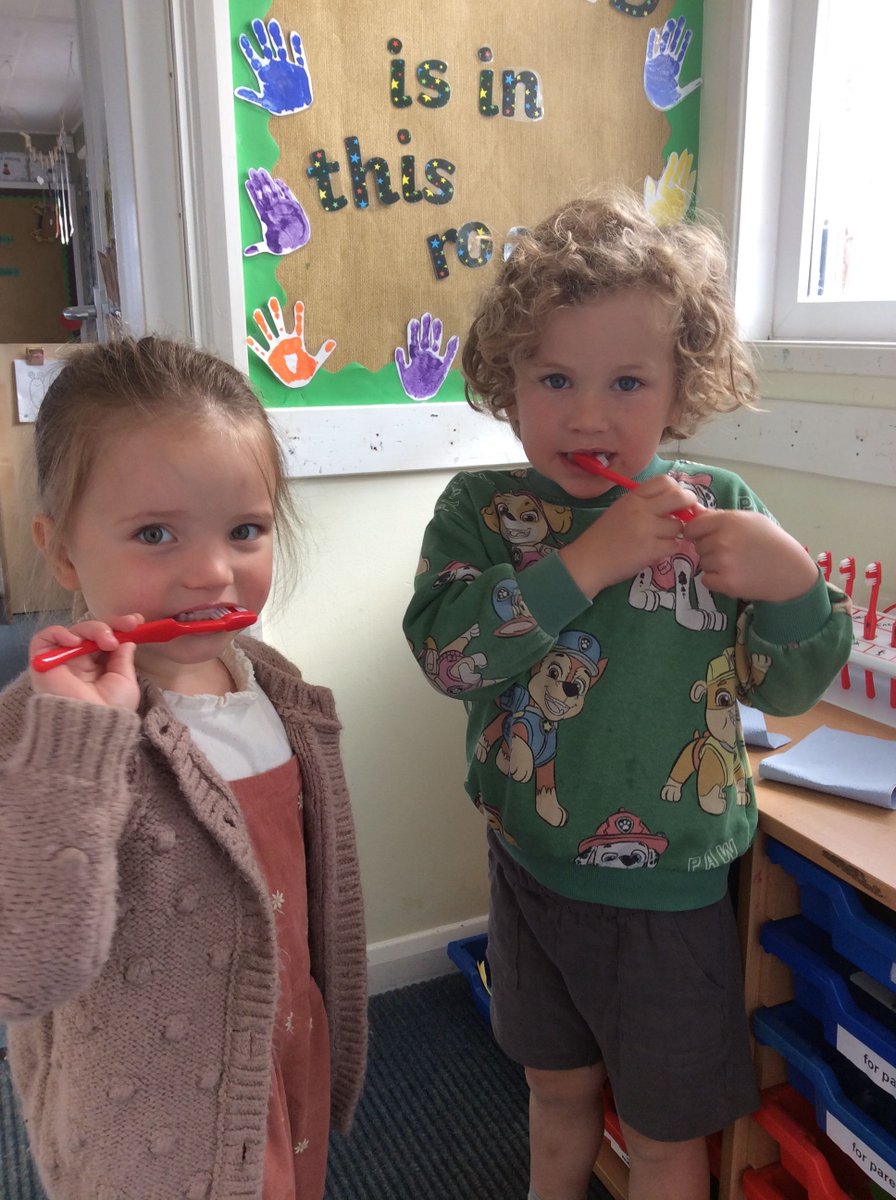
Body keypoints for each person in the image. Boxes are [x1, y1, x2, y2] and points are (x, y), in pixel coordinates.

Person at [402, 191, 852, 1200]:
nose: (589, 413)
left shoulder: (719, 511)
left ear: (678, 389)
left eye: (626, 381)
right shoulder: (481, 512)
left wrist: (790, 583)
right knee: (554, 1096)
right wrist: (584, 562)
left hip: (669, 899)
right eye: (554, 377)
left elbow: (786, 683)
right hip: (527, 869)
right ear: (506, 381)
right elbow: (448, 660)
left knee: (659, 1137)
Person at [0, 336, 367, 1200]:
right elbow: (25, 971)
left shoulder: (282, 695)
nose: (212, 572)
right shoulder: (42, 728)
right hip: (145, 1132)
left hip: (281, 1061)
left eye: (245, 530)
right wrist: (76, 752)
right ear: (62, 552)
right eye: (155, 534)